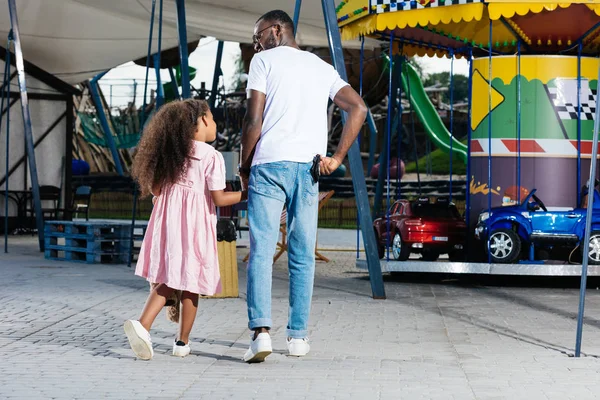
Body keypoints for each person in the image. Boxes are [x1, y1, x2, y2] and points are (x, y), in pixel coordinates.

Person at [239, 10, 367, 363]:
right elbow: (358, 108)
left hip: (269, 165)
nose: (256, 43)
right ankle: (298, 337)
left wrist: (243, 166)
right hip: (308, 169)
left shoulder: (263, 61)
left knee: (262, 250)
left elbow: (253, 119)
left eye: (259, 35)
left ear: (276, 30)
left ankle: (261, 333)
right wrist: (337, 158)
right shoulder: (321, 67)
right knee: (302, 254)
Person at [124, 99, 246, 360]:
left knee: (172, 276)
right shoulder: (211, 155)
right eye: (212, 119)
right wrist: (246, 194)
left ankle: (169, 338)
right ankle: (156, 331)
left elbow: (157, 190)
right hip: (194, 227)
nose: (214, 124)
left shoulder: (172, 153)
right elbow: (220, 199)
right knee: (189, 283)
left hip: (167, 223)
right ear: (201, 121)